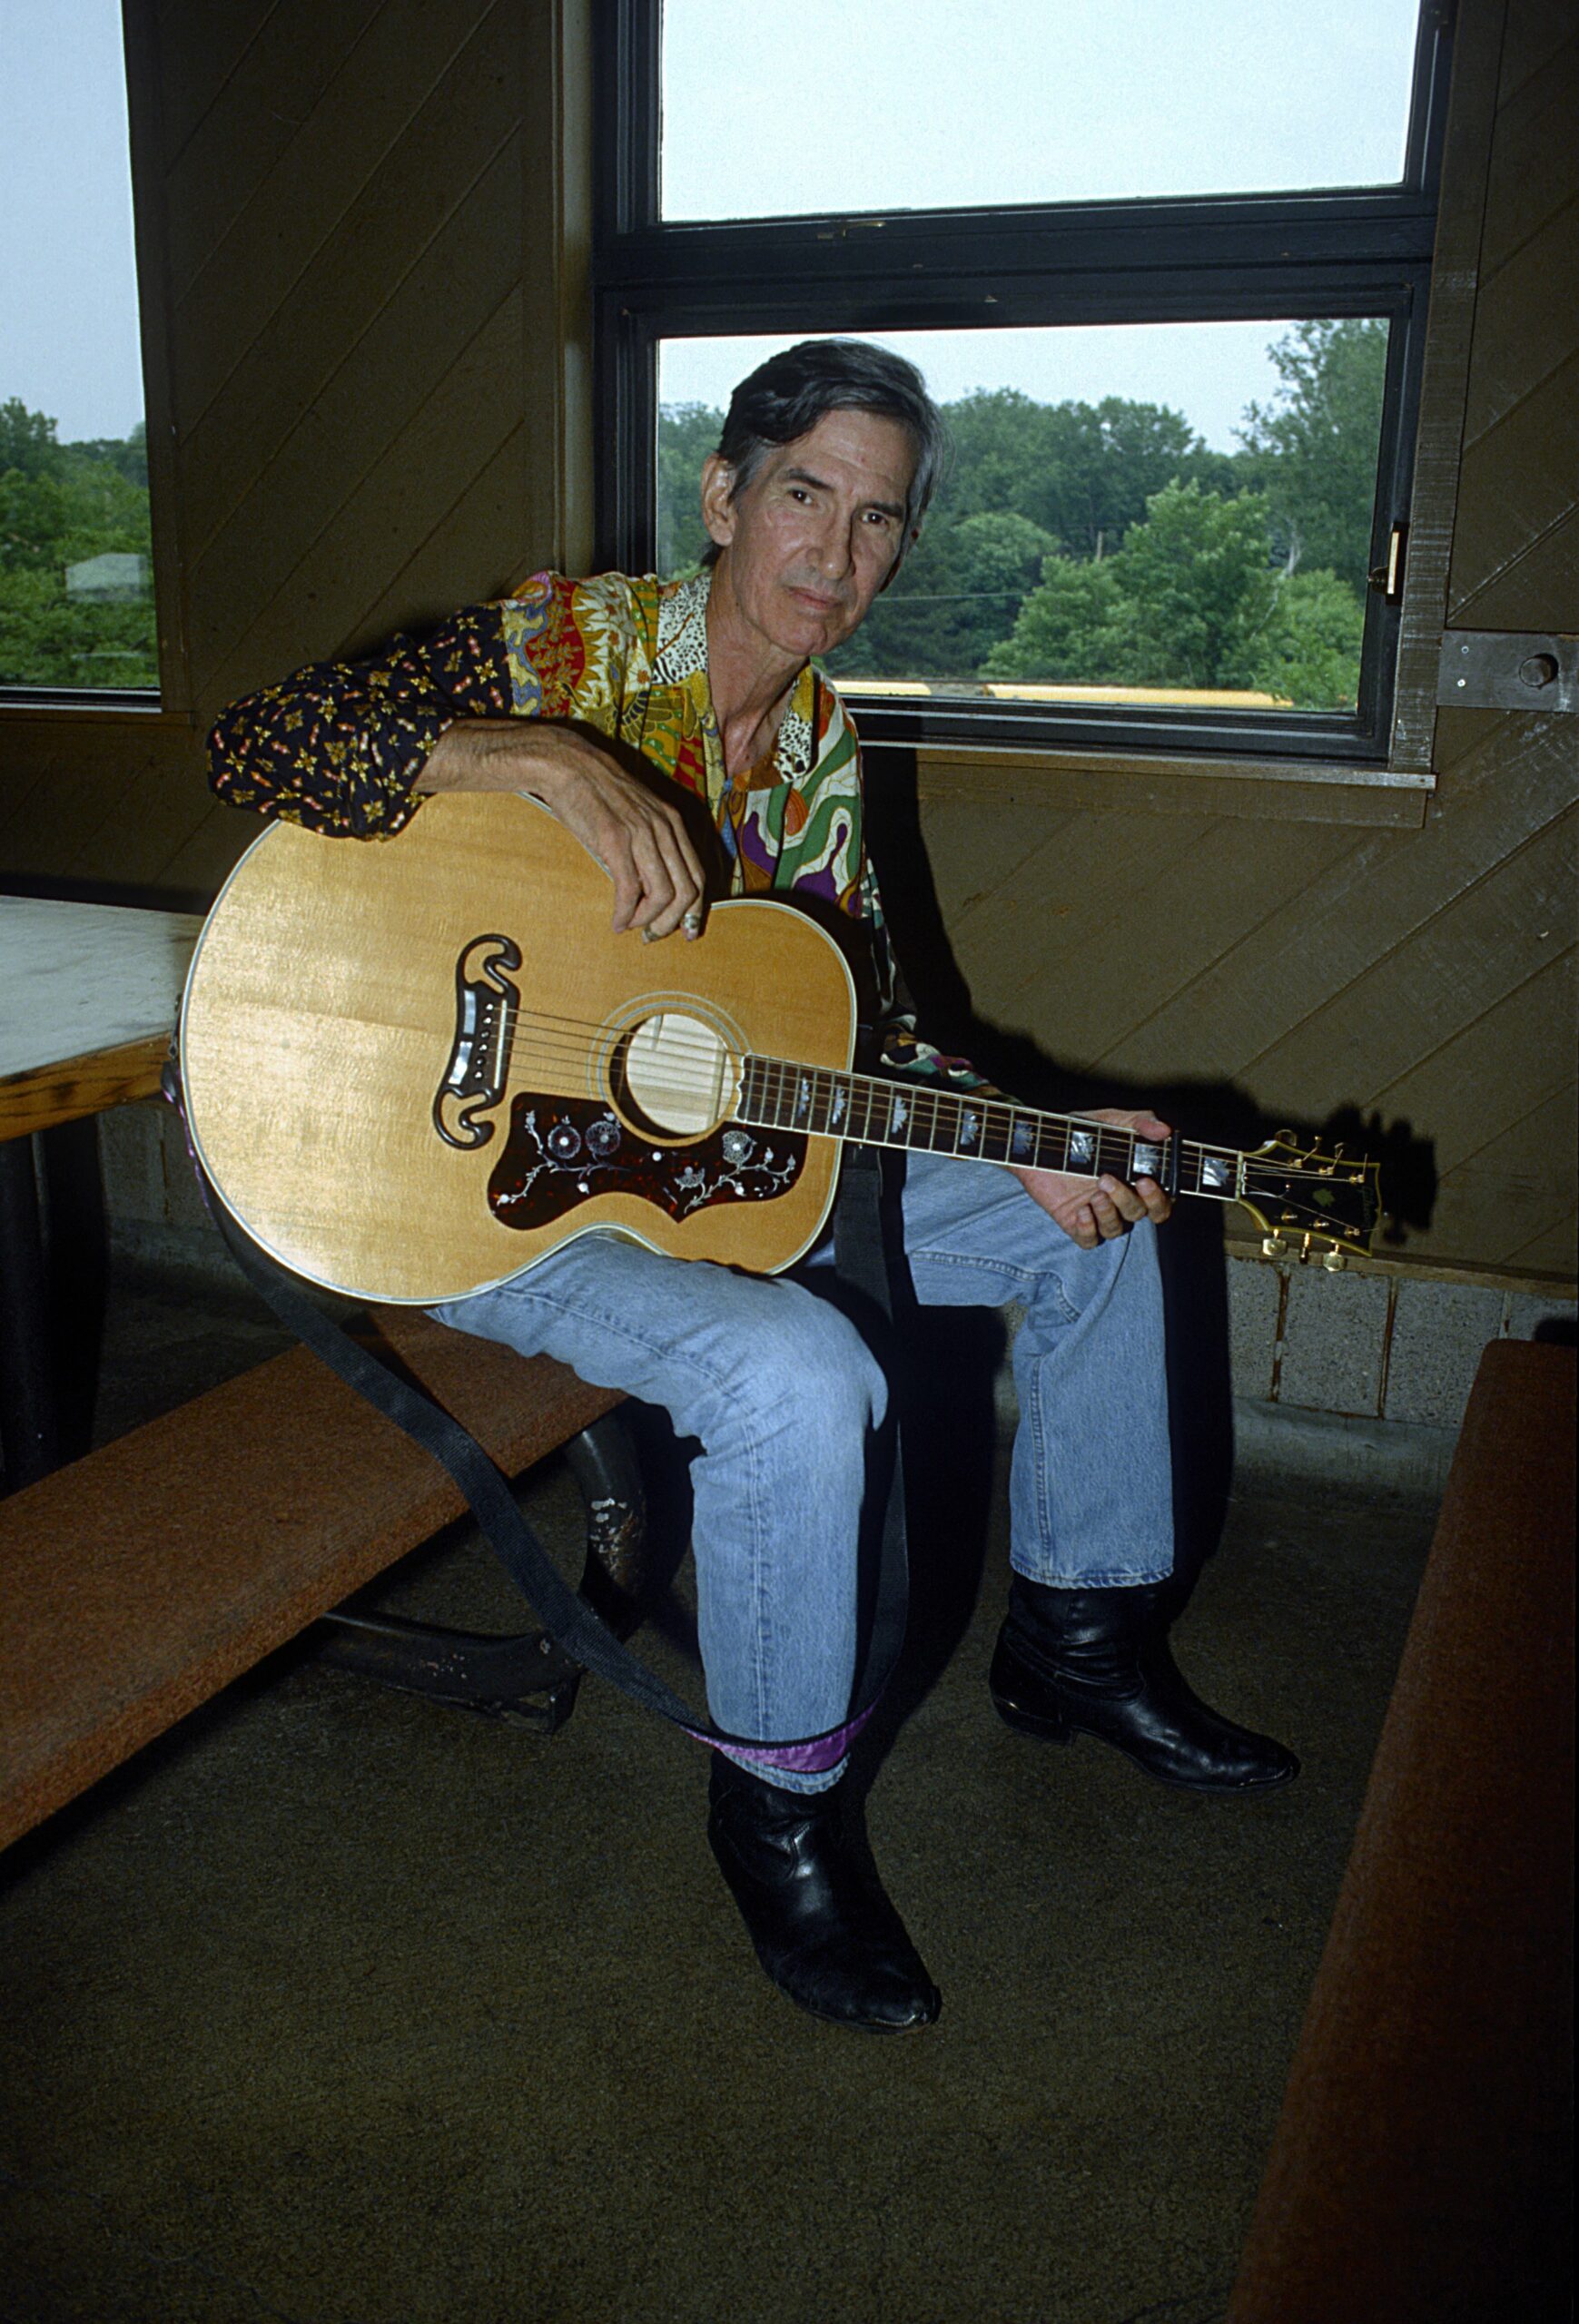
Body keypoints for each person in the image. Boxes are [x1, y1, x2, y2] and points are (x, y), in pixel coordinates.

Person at [208, 339, 1296, 2034]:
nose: (837, 559)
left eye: (879, 525)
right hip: (467, 1186)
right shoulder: (570, 645)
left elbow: (853, 1034)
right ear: (723, 498)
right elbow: (263, 745)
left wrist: (1033, 1128)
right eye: (806, 499)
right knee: (801, 1377)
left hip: (700, 1173)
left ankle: (1078, 1638)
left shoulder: (819, 755)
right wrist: (528, 760)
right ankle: (780, 1806)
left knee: (1104, 1220)